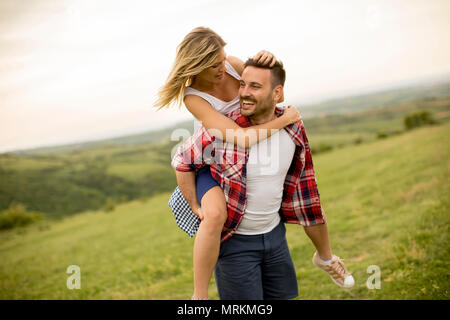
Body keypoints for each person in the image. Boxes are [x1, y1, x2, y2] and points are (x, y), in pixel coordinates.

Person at [157, 27, 353, 299]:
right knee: (214, 215)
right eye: (214, 64)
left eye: (222, 59)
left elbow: (263, 86)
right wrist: (285, 119)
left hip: (248, 140)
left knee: (304, 194)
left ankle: (326, 256)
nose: (221, 67)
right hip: (214, 156)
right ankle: (199, 295)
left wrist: (266, 61)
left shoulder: (232, 65)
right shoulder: (194, 96)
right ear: (197, 65)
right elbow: (240, 138)